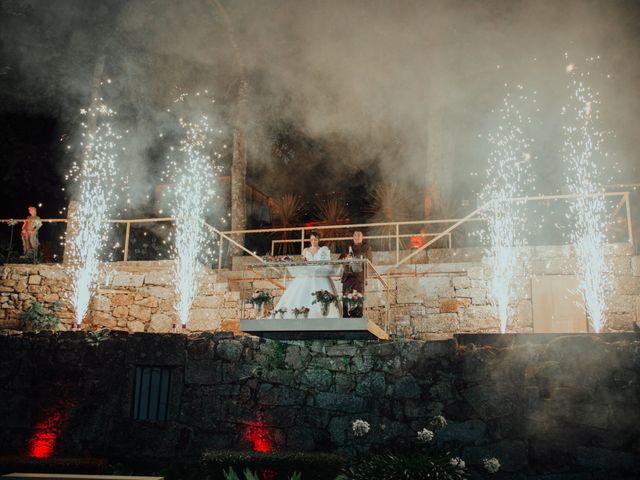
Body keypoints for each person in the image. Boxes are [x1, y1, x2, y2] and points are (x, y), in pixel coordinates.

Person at [273, 231, 341, 318]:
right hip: (307, 274)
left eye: (315, 240)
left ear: (318, 240)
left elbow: (326, 262)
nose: (313, 241)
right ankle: (300, 313)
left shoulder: (322, 250)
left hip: (319, 275)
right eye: (312, 239)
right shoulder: (305, 250)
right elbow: (303, 262)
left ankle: (324, 314)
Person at [340, 230, 372, 317]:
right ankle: (345, 316)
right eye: (355, 235)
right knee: (346, 298)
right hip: (347, 276)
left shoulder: (366, 247)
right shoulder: (347, 247)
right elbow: (340, 259)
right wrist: (346, 257)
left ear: (362, 238)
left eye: (359, 236)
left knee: (358, 298)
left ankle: (358, 317)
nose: (357, 237)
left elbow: (369, 261)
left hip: (359, 277)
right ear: (353, 237)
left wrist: (357, 257)